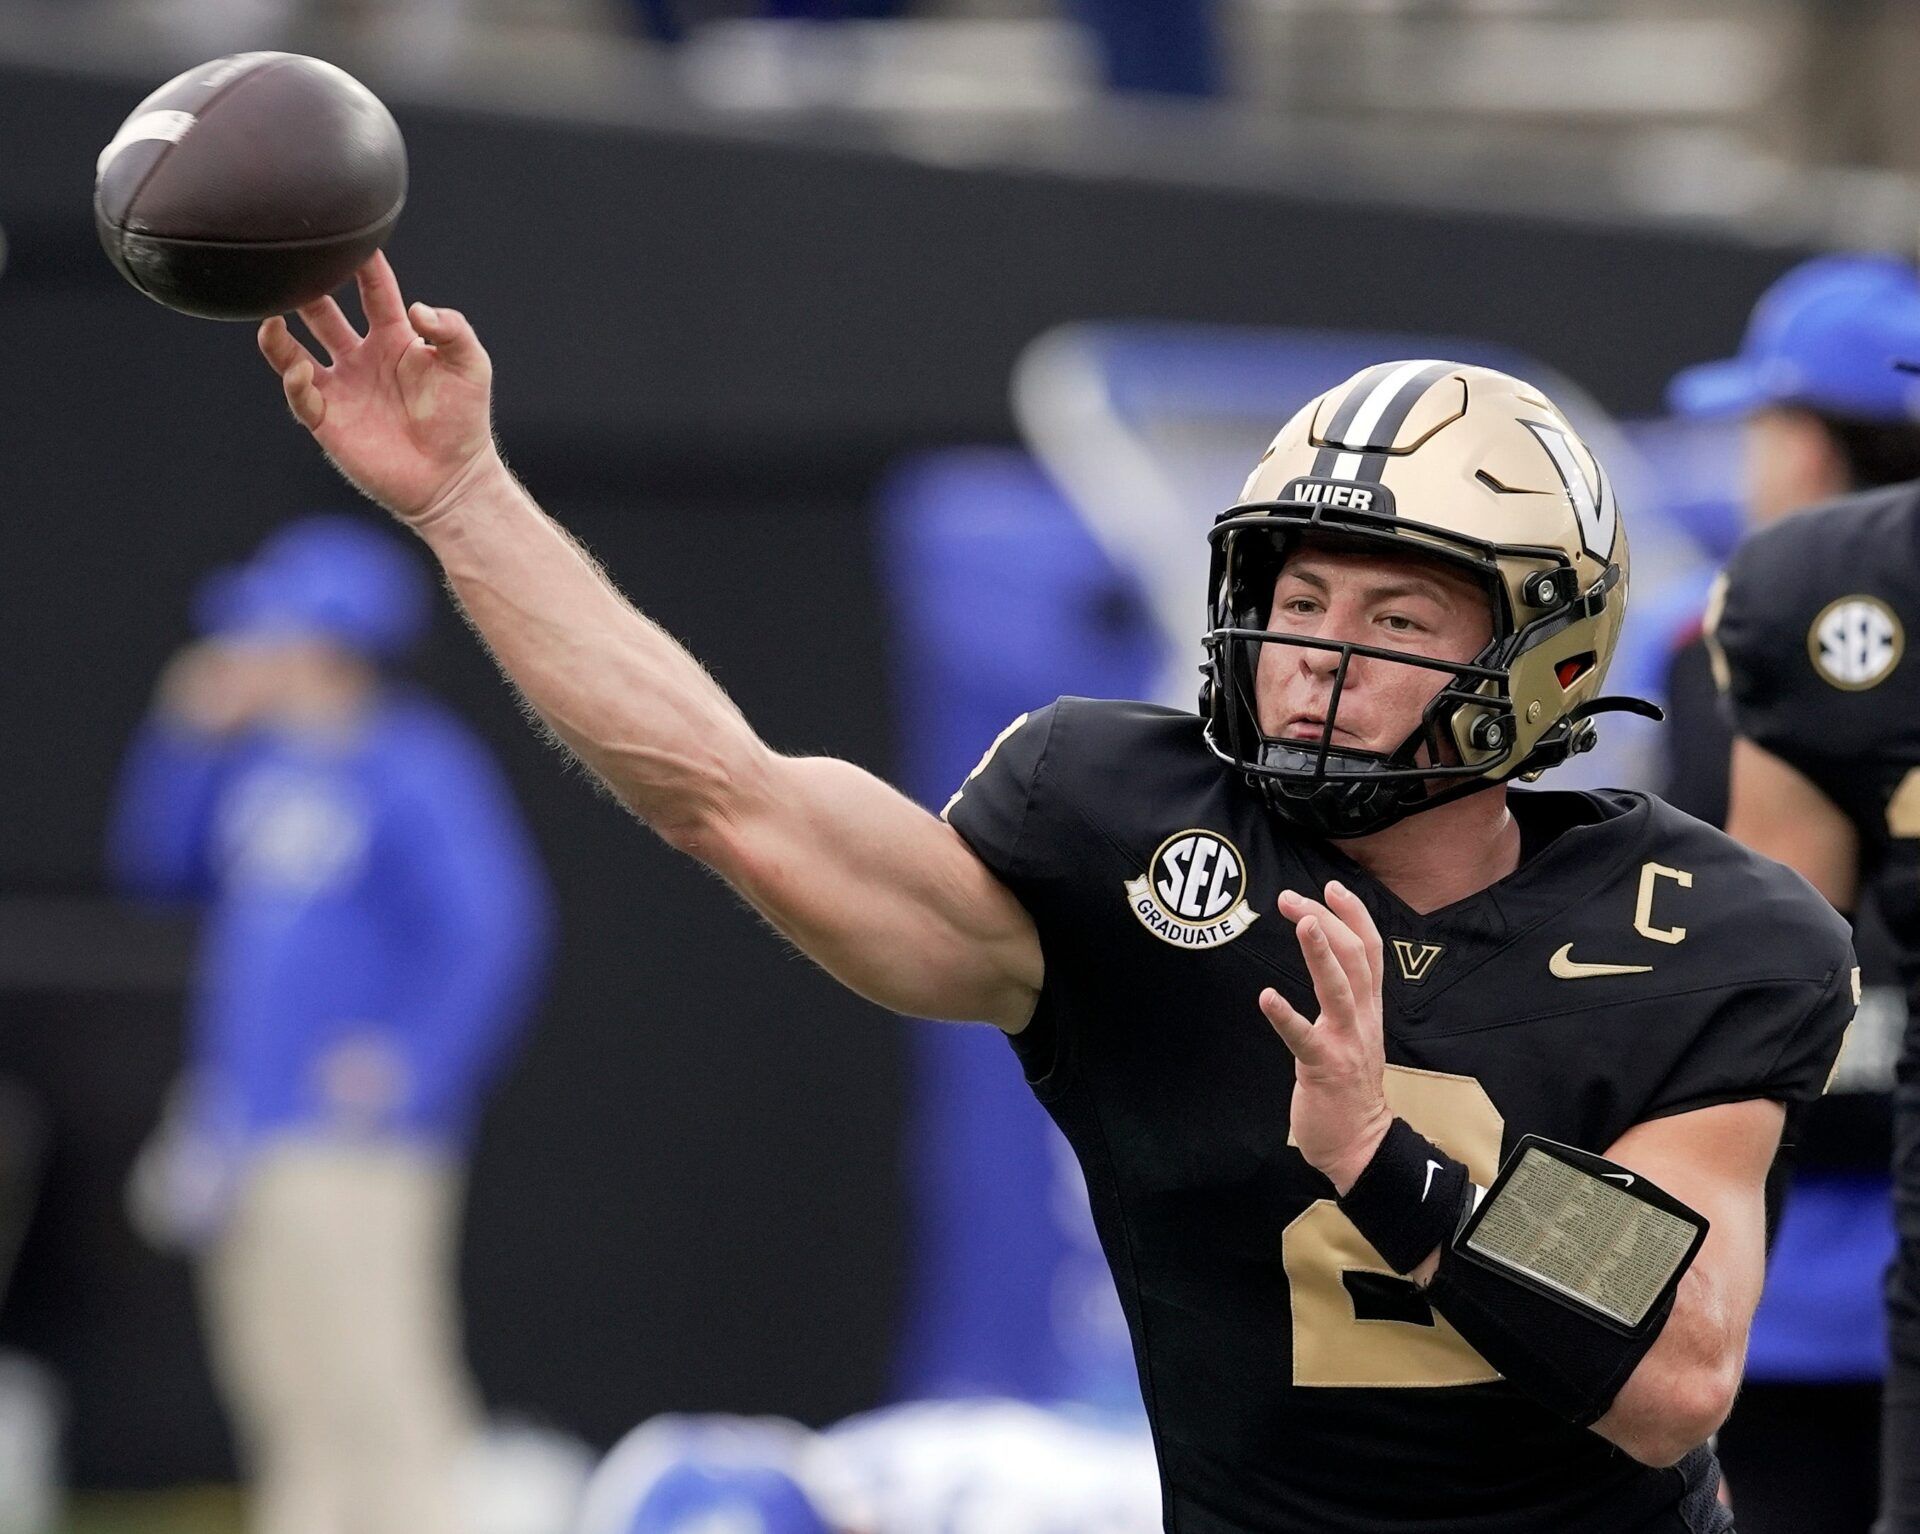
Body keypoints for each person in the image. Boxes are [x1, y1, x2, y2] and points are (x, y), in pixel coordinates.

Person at [254, 258, 1856, 1532]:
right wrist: (464, 498)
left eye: (1394, 615)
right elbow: (730, 792)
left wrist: (1387, 1157)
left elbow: (1676, 1364)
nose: (1318, 655)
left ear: (1548, 655)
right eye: (1298, 596)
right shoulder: (1131, 839)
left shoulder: (1687, 928)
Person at [109, 514, 553, 1534]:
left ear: (323, 642)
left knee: (380, 1385)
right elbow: (150, 876)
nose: (239, 652)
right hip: (245, 1126)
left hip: (353, 1140)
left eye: (263, 630)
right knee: (284, 1393)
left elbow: (495, 930)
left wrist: (415, 1063)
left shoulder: (415, 766)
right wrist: (181, 738)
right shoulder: (256, 765)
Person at [1661, 252, 1920, 1533]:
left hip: (1772, 1253)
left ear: (1814, 445)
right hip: (1795, 1262)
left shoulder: (1712, 645)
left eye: (1763, 425)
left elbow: (1721, 956)